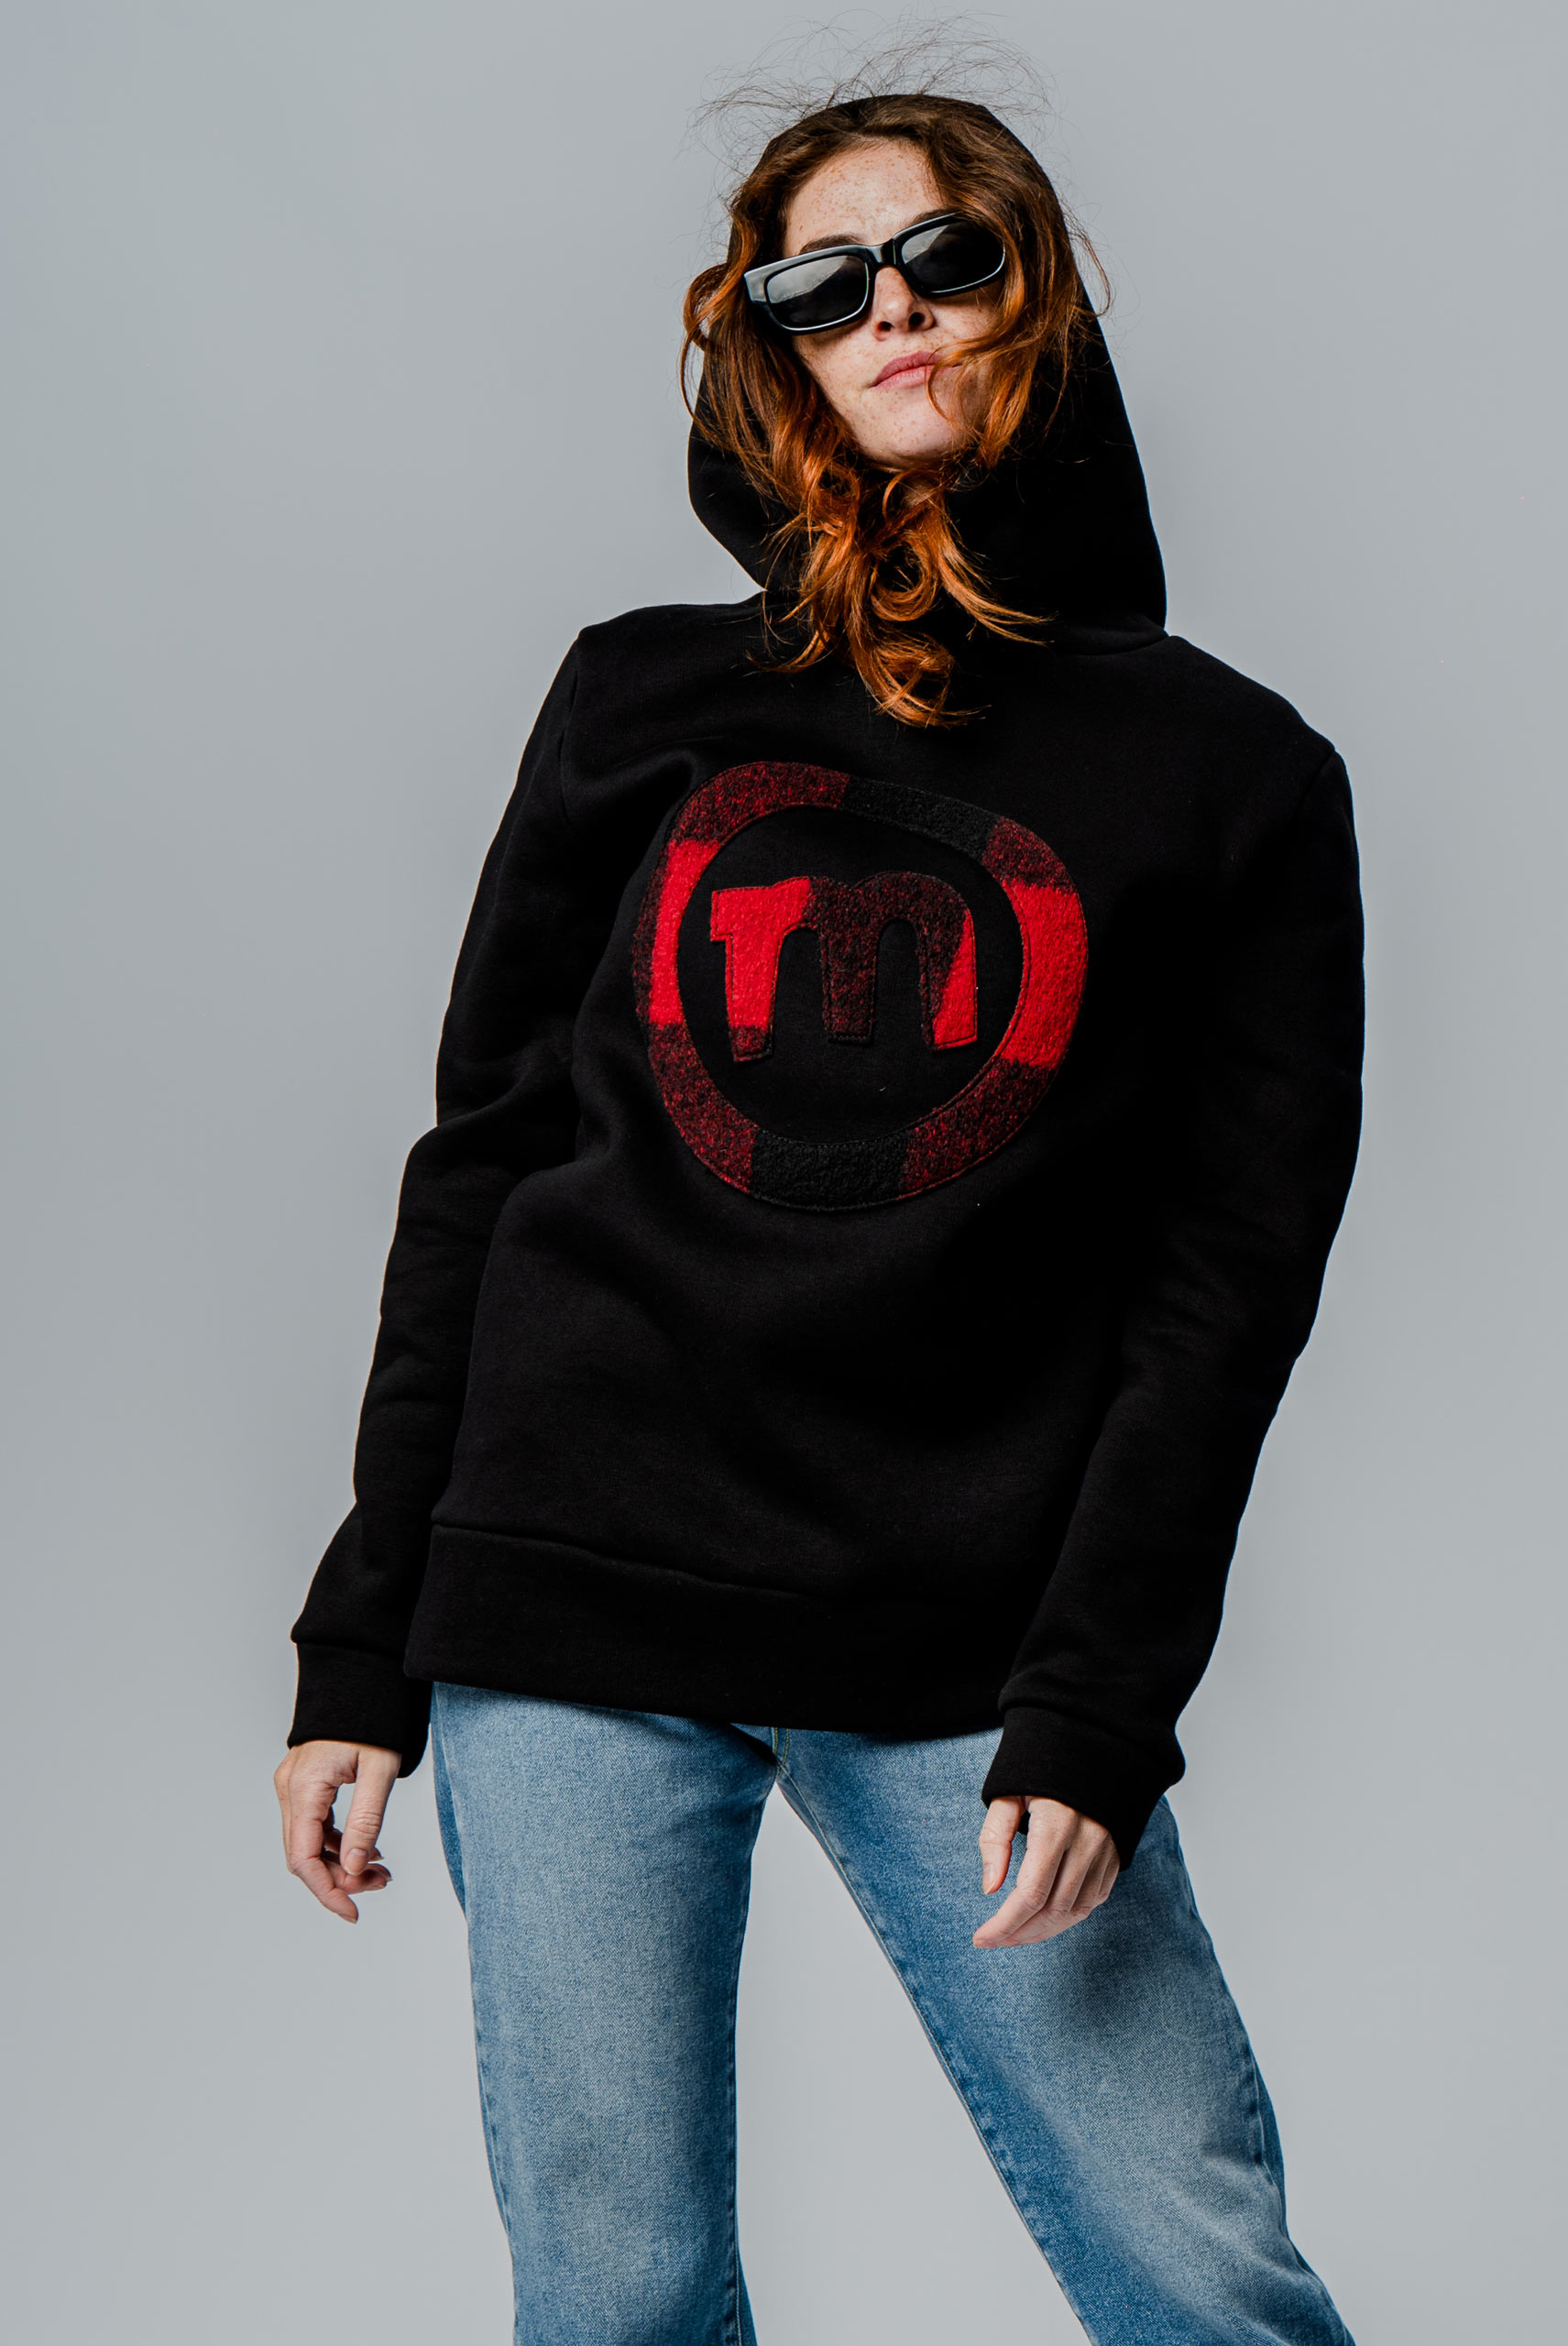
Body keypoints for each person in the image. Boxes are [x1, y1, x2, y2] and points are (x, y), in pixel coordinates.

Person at [276, 84, 1364, 2346]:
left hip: (964, 1631)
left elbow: (1224, 1291)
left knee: (1198, 2270)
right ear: (766, 346)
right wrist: (360, 1637)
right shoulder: (638, 694)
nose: (891, 309)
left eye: (945, 254)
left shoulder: (1234, 776)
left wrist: (1098, 1700)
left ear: (1035, 295)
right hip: (569, 1581)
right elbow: (483, 1156)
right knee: (618, 2294)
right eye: (819, 280)